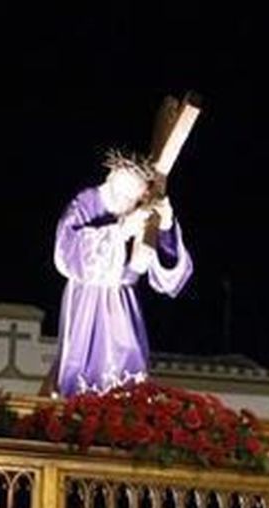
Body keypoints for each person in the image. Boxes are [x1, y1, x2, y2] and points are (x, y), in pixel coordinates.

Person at [49, 150, 194, 396]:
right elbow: (67, 249)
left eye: (130, 198)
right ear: (110, 179)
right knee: (84, 369)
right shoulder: (88, 202)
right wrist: (121, 230)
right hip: (88, 298)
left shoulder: (144, 213)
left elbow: (170, 279)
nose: (123, 203)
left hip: (124, 303)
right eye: (120, 193)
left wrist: (166, 225)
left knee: (129, 359)